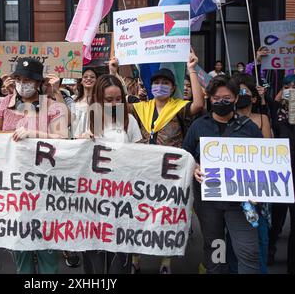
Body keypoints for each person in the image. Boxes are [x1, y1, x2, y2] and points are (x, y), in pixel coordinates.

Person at [0, 58, 68, 274]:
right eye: (19, 79)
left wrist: (34, 134)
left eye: (28, 80)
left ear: (38, 83)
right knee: (21, 251)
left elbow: (63, 138)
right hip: (14, 185)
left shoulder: (53, 107)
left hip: (45, 184)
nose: (22, 84)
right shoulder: (4, 103)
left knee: (46, 248)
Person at [132, 50, 204, 274]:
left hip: (170, 173)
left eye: (165, 83)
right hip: (144, 170)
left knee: (167, 217)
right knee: (137, 215)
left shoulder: (179, 108)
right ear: (150, 86)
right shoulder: (141, 109)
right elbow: (113, 108)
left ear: (173, 88)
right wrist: (115, 72)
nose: (160, 86)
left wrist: (192, 69)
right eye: (157, 82)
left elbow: (199, 105)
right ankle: (135, 260)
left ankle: (166, 263)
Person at [183, 75, 263, 274]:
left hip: (242, 203)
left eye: (226, 97)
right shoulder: (199, 126)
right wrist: (194, 168)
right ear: (209, 98)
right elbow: (186, 155)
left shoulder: (249, 128)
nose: (221, 102)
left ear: (236, 98)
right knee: (215, 248)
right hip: (209, 203)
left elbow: (263, 161)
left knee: (248, 251)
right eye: (216, 98)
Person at [80, 74, 142, 274]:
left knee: (119, 258)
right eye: (109, 100)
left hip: (122, 199)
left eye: (118, 99)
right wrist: (80, 140)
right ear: (98, 99)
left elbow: (140, 155)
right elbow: (73, 157)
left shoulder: (130, 121)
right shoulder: (87, 119)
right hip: (92, 199)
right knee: (95, 258)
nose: (115, 104)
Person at [224, 73, 273, 274]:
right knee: (233, 241)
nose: (242, 95)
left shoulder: (262, 119)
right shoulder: (228, 121)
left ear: (254, 97)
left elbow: (269, 152)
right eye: (239, 91)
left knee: (259, 237)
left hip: (256, 190)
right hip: (233, 189)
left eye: (246, 91)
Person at [267, 74, 295, 274]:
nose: (292, 89)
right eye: (288, 86)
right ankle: (269, 250)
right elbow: (269, 100)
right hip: (281, 174)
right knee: (276, 218)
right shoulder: (276, 112)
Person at [71, 67, 98, 138]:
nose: (89, 78)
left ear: (96, 80)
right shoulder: (74, 102)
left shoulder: (100, 101)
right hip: (77, 143)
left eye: (92, 77)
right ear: (81, 81)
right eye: (85, 77)